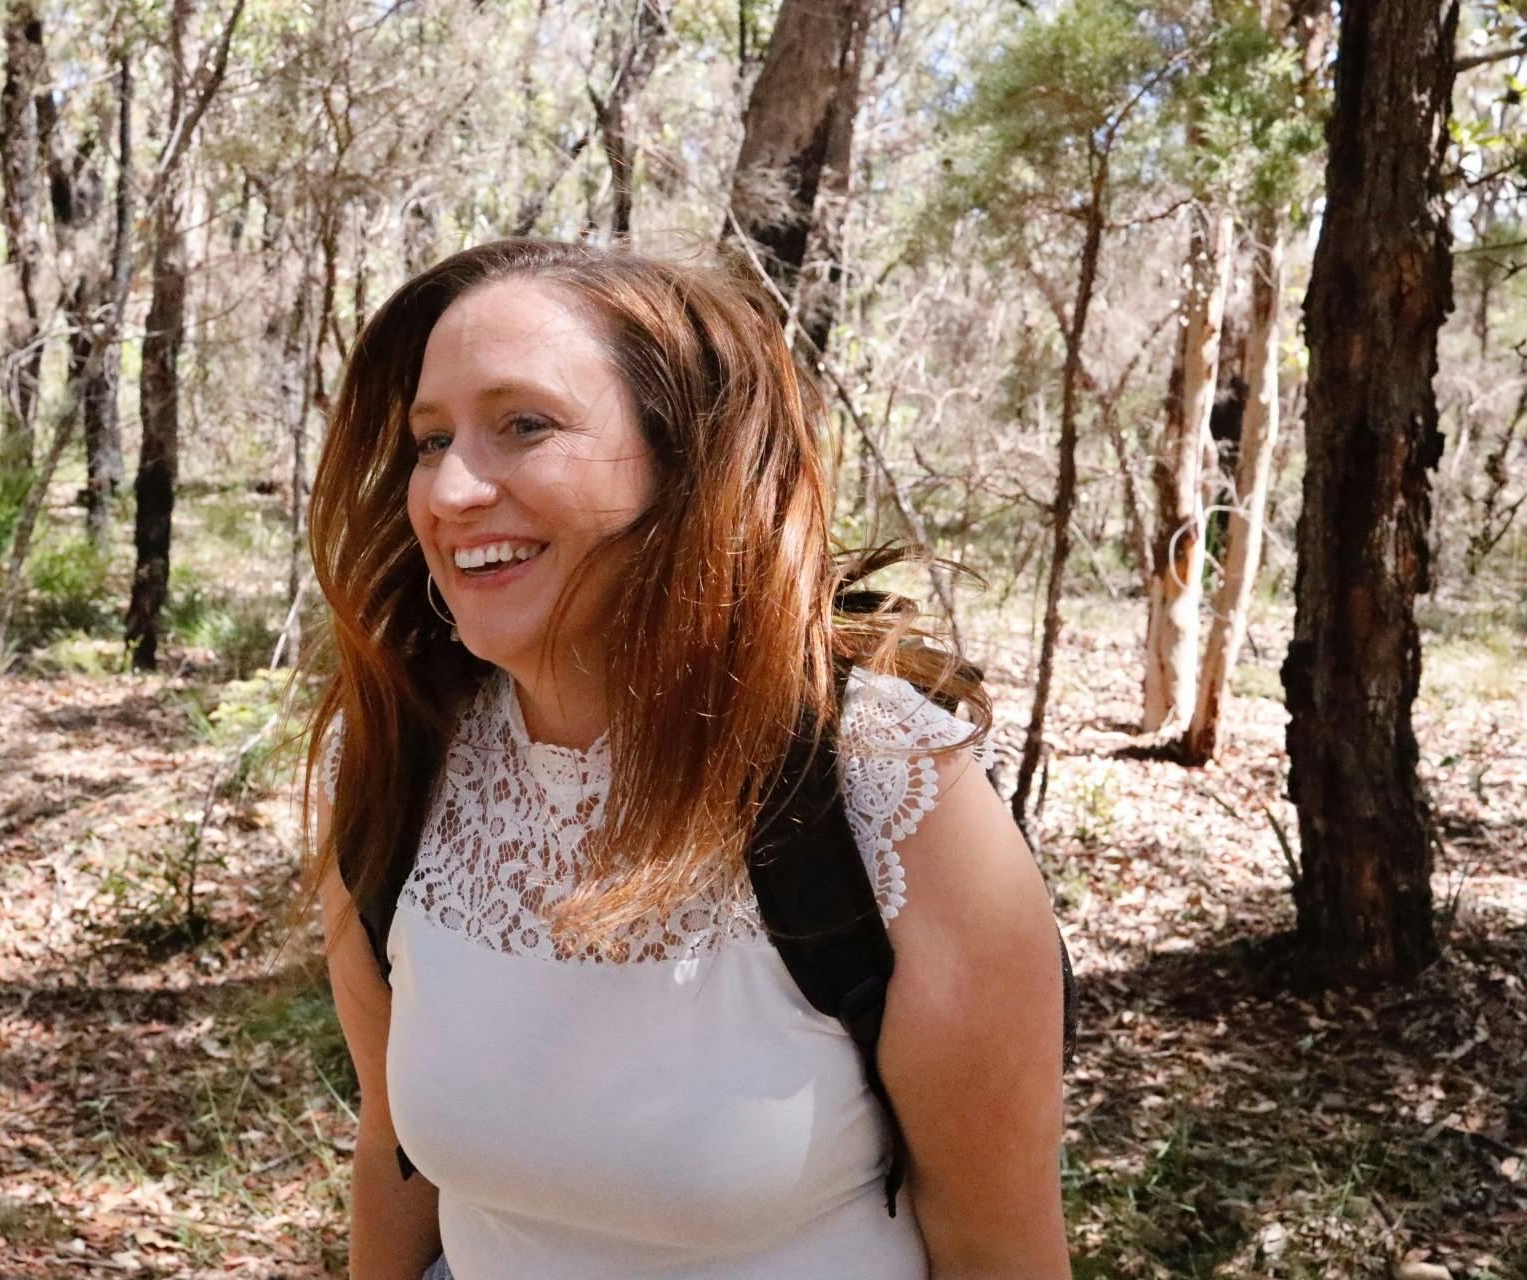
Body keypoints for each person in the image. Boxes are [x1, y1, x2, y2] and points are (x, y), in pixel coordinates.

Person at [303, 239, 1069, 1279]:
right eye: (431, 440)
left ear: (685, 463)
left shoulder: (883, 784)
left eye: (523, 424)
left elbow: (998, 1246)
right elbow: (399, 1159)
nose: (451, 490)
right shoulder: (400, 754)